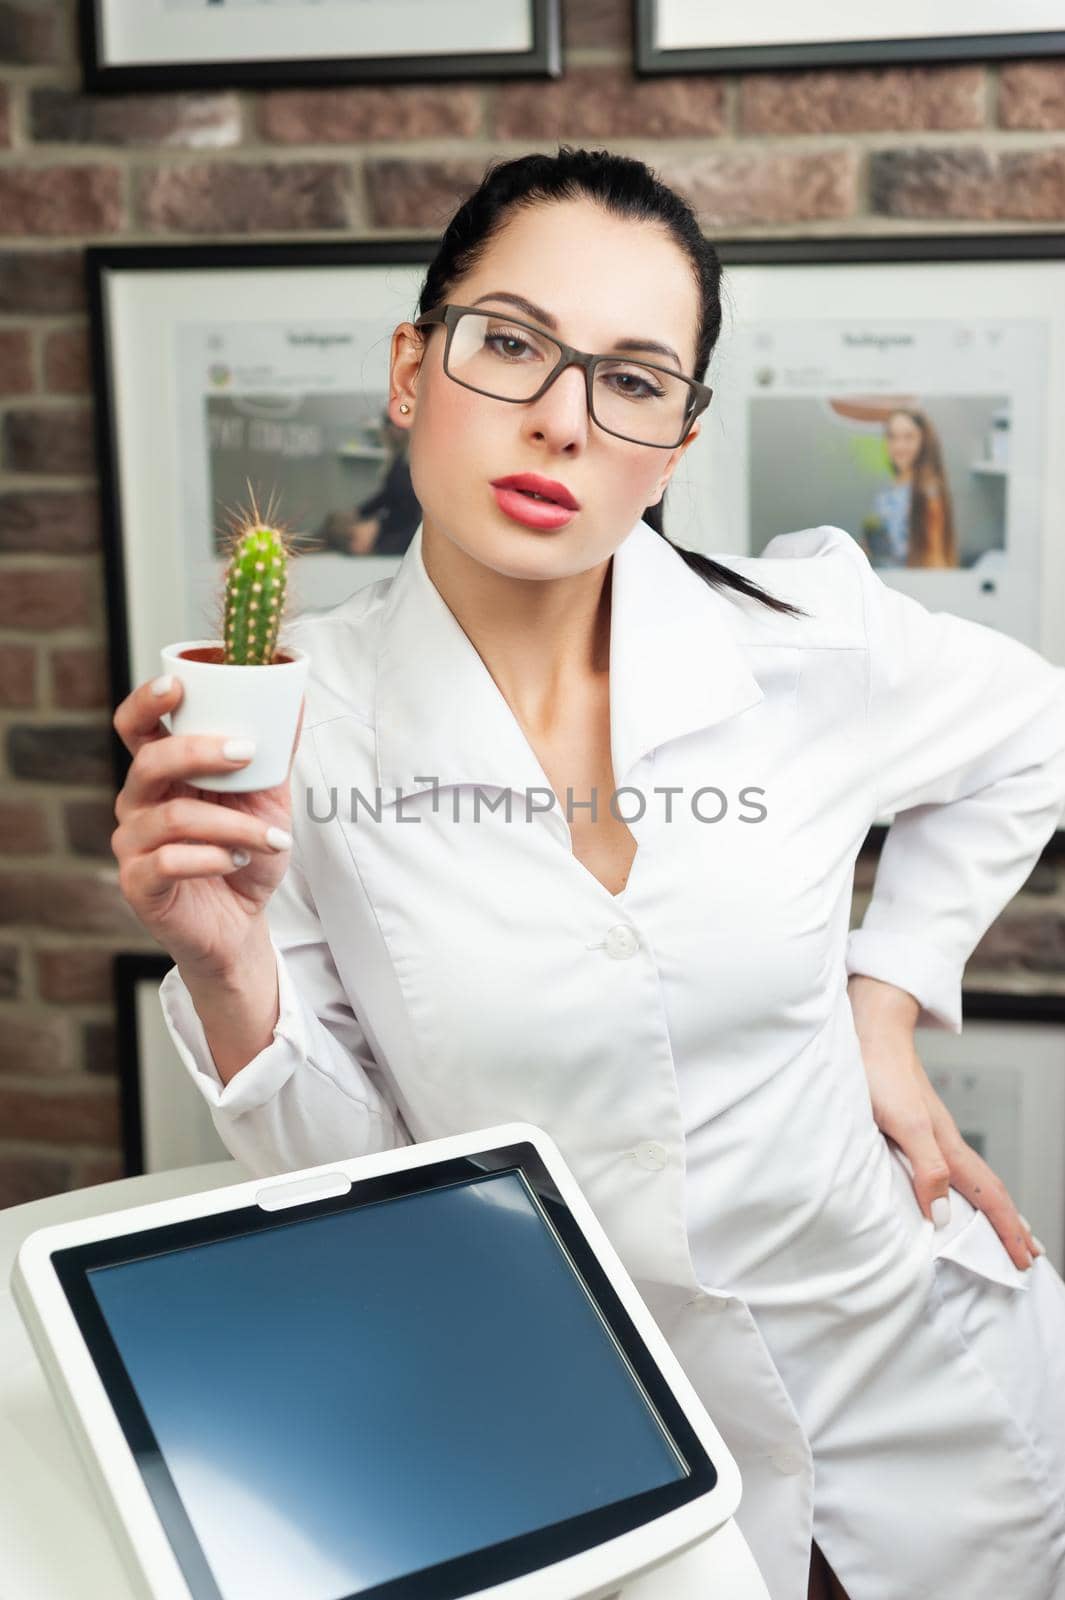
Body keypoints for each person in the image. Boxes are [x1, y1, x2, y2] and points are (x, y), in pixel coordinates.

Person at [110, 147, 1065, 1600]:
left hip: (925, 1402)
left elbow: (1033, 734)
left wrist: (885, 996)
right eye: (511, 345)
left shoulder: (811, 641)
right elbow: (366, 1190)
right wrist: (228, 967)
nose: (561, 422)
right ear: (411, 371)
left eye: (631, 380)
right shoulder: (283, 716)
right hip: (594, 1448)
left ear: (676, 443)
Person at [866, 407, 959, 569]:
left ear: (924, 441)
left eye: (908, 437)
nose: (898, 445)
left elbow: (935, 559)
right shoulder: (888, 490)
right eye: (892, 437)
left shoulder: (929, 493)